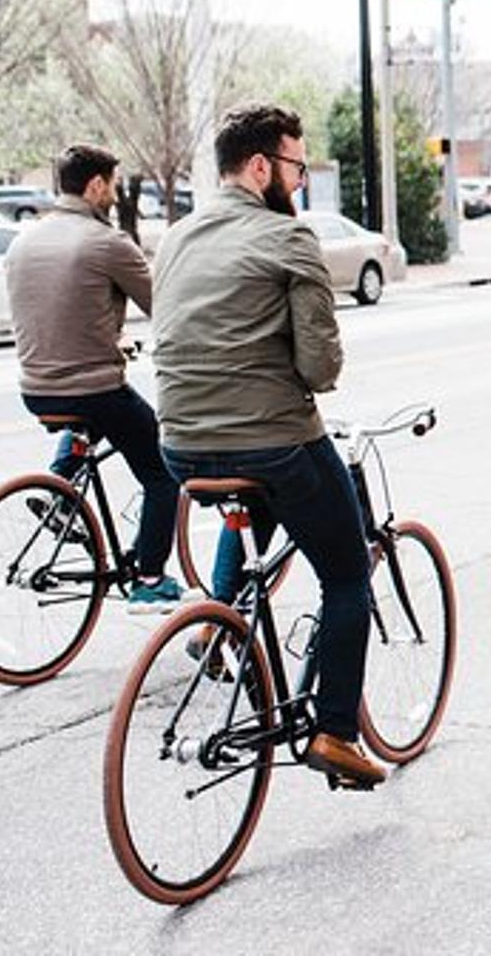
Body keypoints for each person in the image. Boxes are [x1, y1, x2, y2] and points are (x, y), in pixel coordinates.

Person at [152, 104, 385, 789]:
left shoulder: (174, 237)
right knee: (346, 575)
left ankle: (220, 624)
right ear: (261, 167)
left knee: (263, 496)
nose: (301, 179)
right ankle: (335, 732)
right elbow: (320, 370)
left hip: (180, 447)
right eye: (296, 165)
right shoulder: (289, 238)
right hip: (272, 440)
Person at [3, 144, 185, 611]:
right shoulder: (107, 242)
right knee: (162, 475)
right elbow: (164, 310)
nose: (115, 194)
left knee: (94, 410)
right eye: (113, 184)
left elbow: (56, 312)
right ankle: (149, 578)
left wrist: (110, 339)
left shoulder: (24, 240)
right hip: (93, 388)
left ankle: (59, 489)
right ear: (96, 185)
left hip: (34, 388)